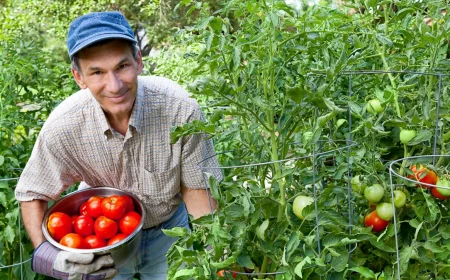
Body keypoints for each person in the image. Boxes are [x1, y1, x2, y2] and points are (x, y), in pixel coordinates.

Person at [14, 11, 221, 280]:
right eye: (97, 72)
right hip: (100, 244)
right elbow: (32, 192)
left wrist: (214, 250)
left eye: (121, 66)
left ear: (138, 61)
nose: (114, 86)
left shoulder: (179, 110)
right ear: (79, 77)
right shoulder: (65, 125)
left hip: (169, 233)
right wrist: (48, 255)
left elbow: (196, 190)